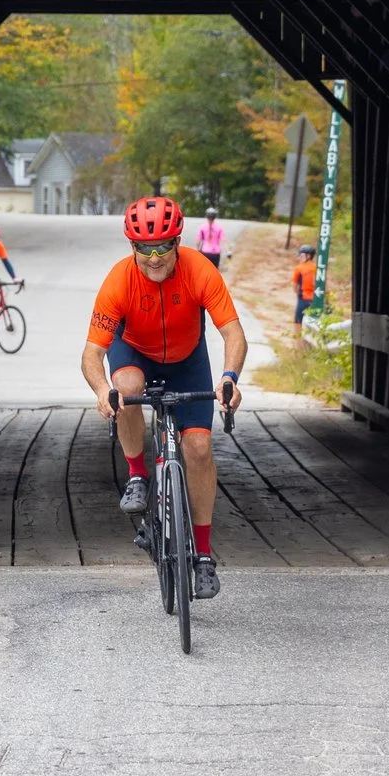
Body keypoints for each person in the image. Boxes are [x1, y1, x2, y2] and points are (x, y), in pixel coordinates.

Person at [80, 195, 247, 600]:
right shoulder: (118, 281)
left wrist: (229, 378)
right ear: (131, 245)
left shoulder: (199, 270)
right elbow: (92, 354)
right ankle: (138, 474)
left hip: (187, 358)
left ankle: (204, 556)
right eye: (144, 248)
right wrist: (104, 391)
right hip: (134, 351)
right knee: (128, 389)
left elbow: (233, 333)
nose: (154, 258)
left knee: (199, 448)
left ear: (178, 242)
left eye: (163, 247)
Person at [293, 243, 318, 323]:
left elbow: (294, 285)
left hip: (303, 299)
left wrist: (298, 293)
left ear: (308, 256)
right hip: (316, 299)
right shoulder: (317, 268)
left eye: (301, 255)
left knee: (298, 322)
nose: (300, 257)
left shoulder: (298, 268)